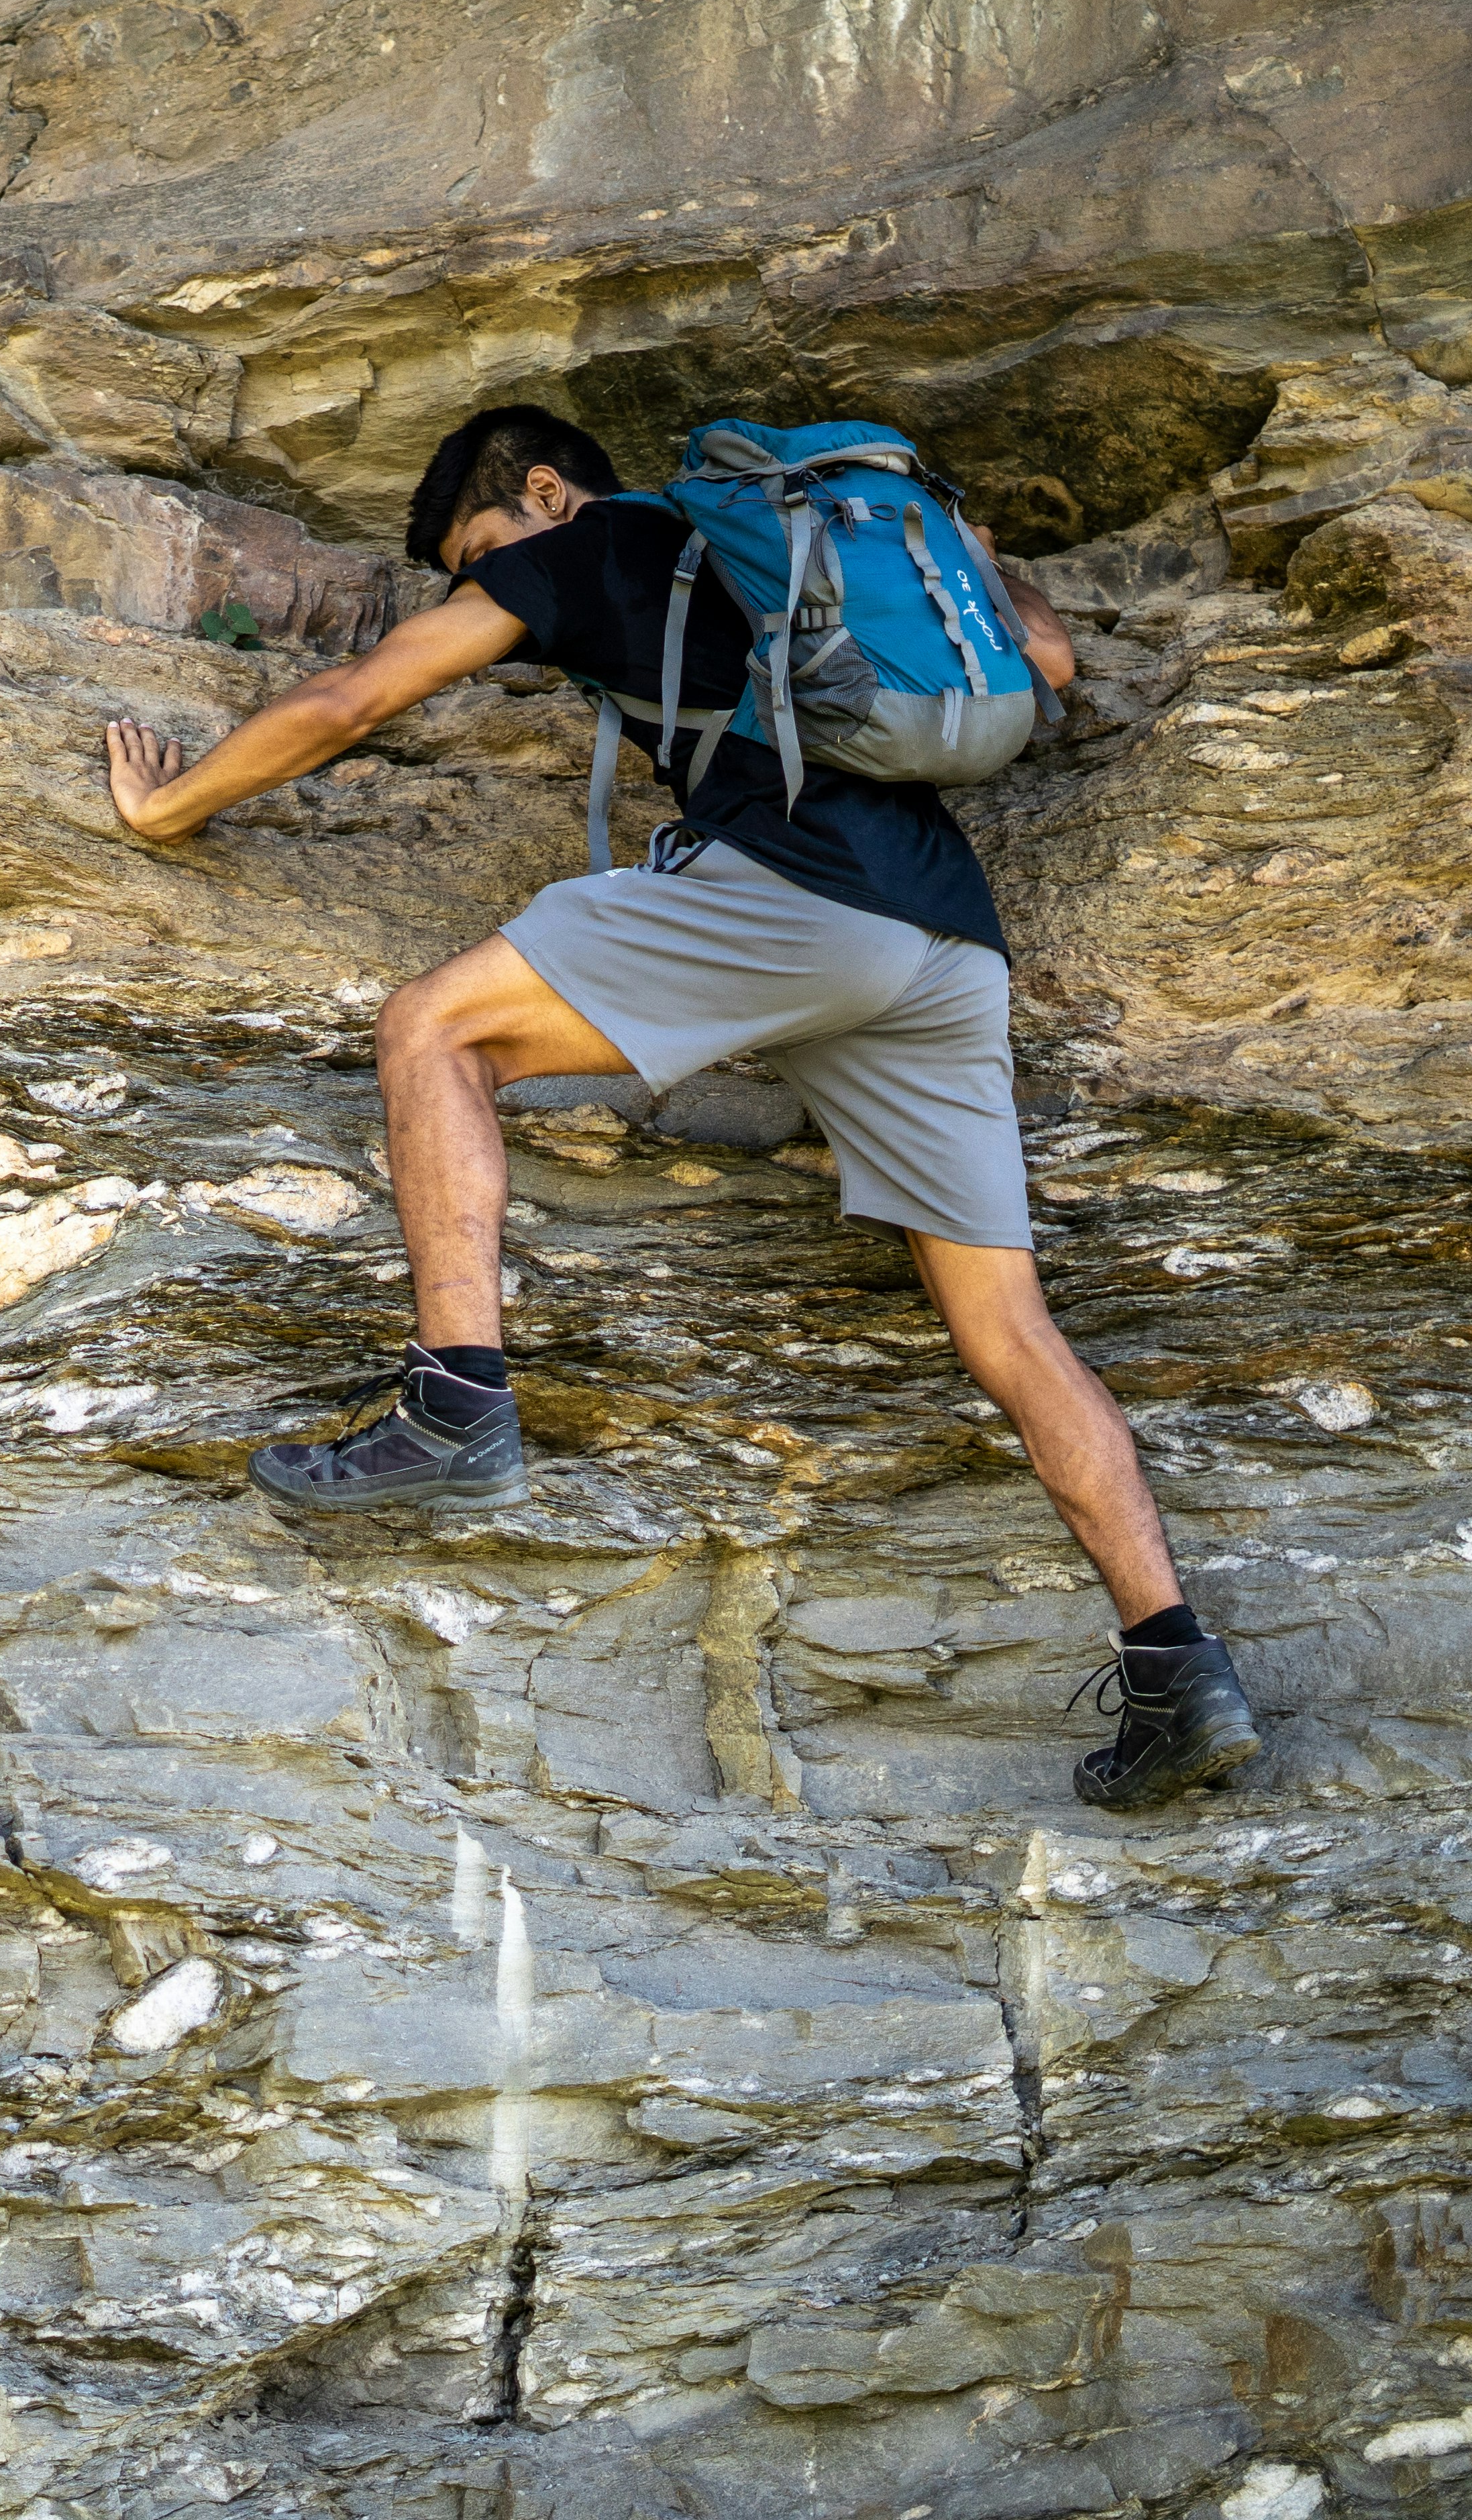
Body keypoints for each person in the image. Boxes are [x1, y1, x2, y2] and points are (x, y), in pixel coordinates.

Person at [101, 403, 1259, 1811]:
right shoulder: (801, 563)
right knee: (1010, 1328)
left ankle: (456, 1398)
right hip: (947, 945)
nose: (481, 583)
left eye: (479, 551)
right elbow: (1054, 660)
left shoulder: (593, 542)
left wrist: (173, 809)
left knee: (433, 1030)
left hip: (795, 895)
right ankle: (1176, 1664)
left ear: (542, 490)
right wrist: (977, 559)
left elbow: (357, 701)